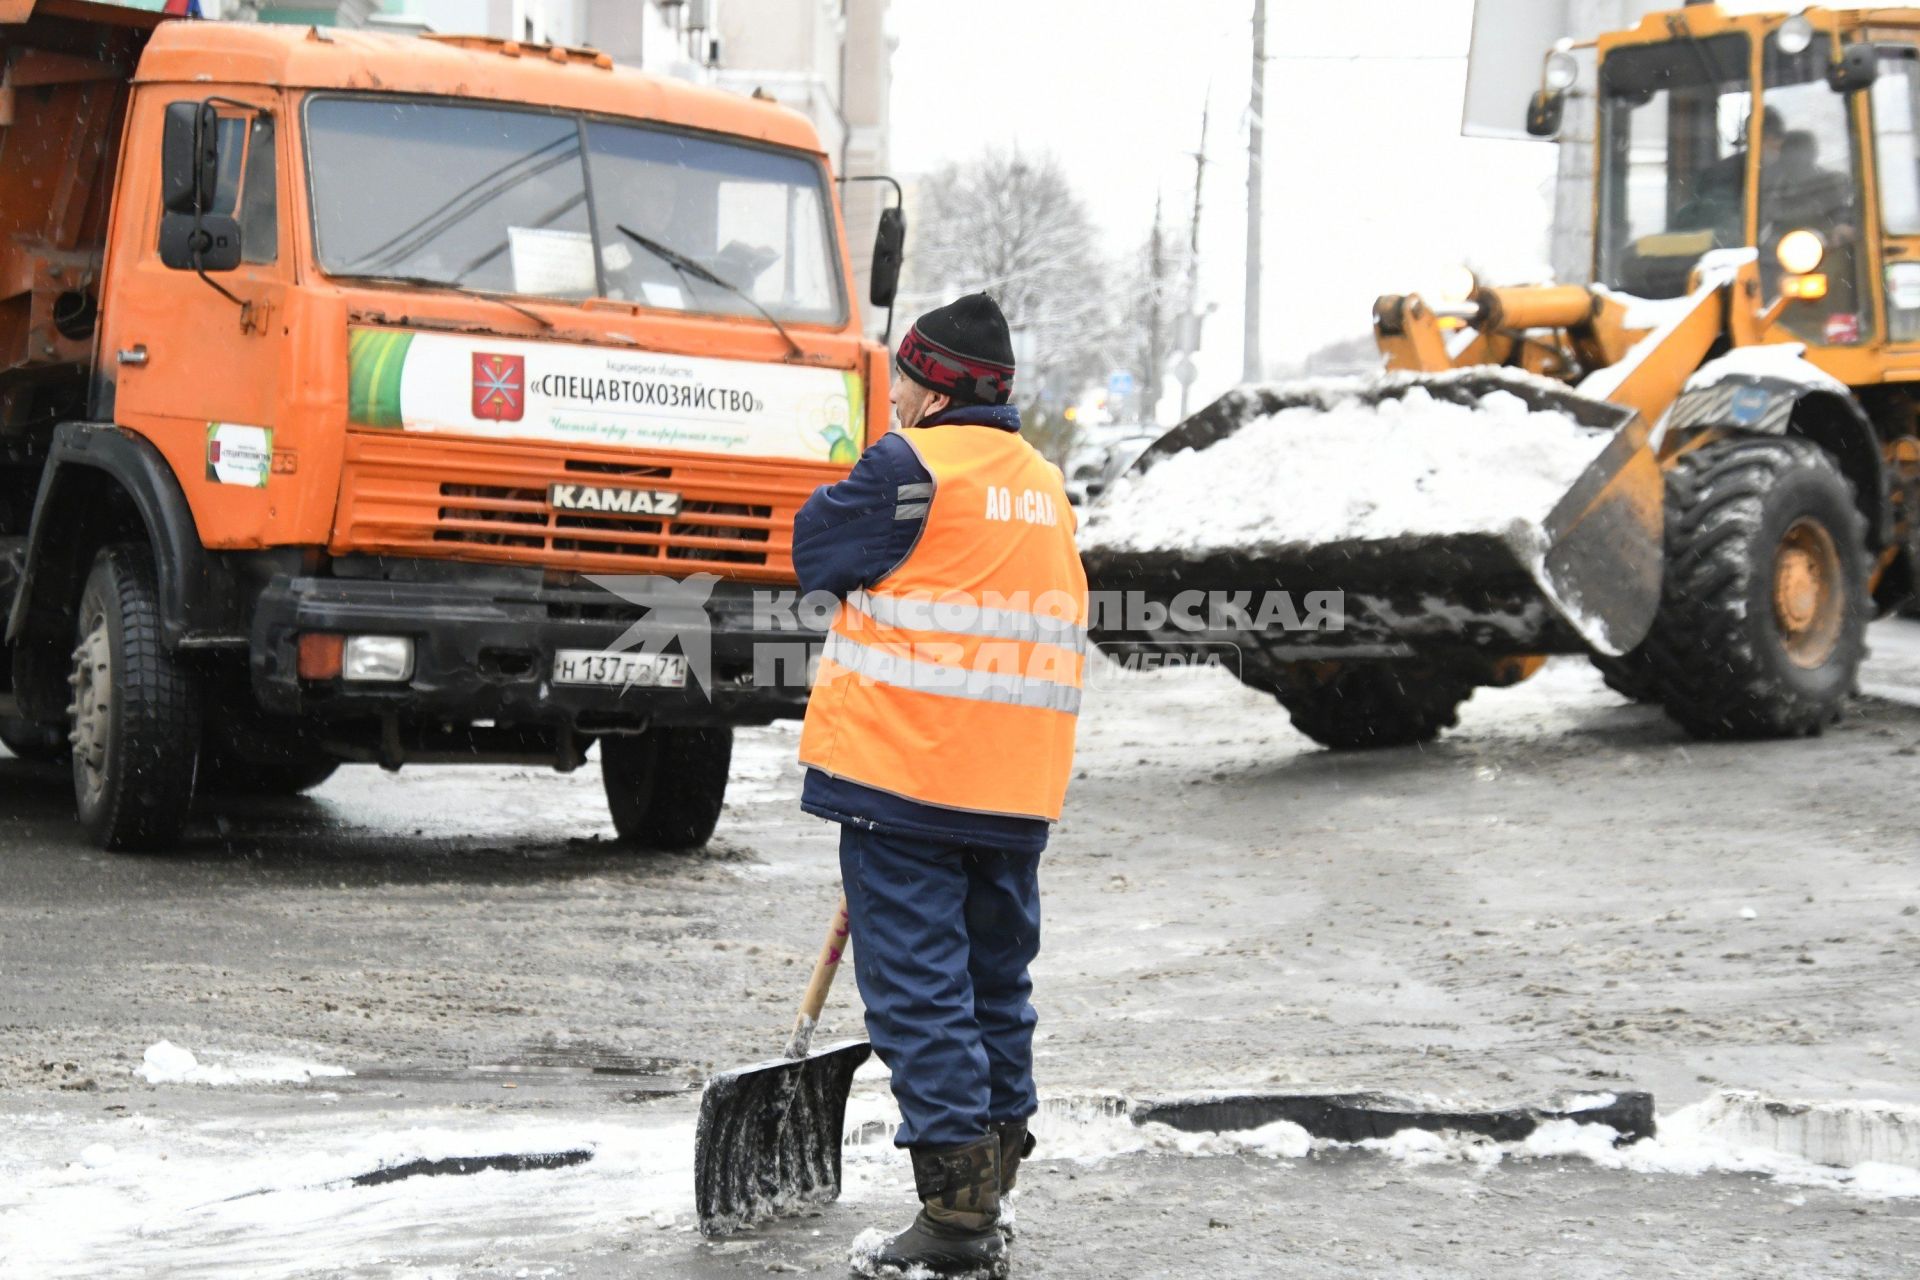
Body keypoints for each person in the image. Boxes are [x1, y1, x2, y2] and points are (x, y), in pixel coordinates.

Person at [791, 293, 1088, 1279]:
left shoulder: (908, 466)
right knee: (993, 979)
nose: (896, 394)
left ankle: (956, 1220)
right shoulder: (1043, 483)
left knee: (919, 987)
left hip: (905, 779)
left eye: (903, 379)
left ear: (932, 387)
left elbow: (815, 552)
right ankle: (990, 1177)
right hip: (1014, 786)